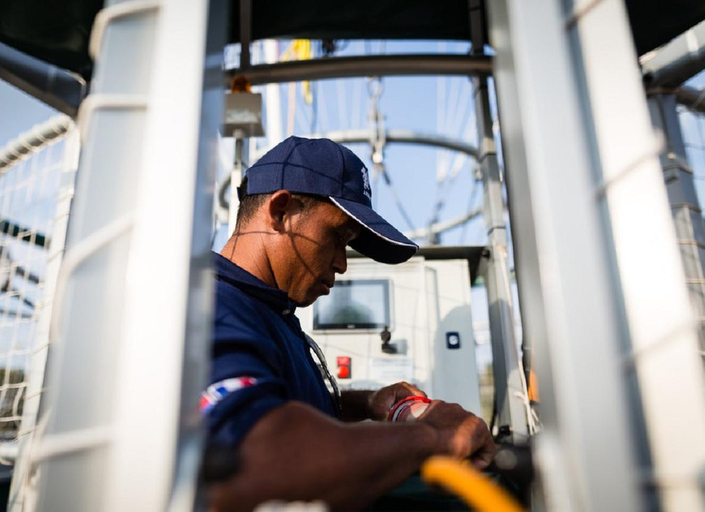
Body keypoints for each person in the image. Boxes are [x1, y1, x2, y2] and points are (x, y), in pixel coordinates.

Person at [204, 136, 495, 512]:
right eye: (337, 237)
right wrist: (435, 436)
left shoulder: (268, 311)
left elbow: (280, 400)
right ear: (280, 211)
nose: (341, 263)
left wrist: (368, 402)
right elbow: (256, 461)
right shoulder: (213, 306)